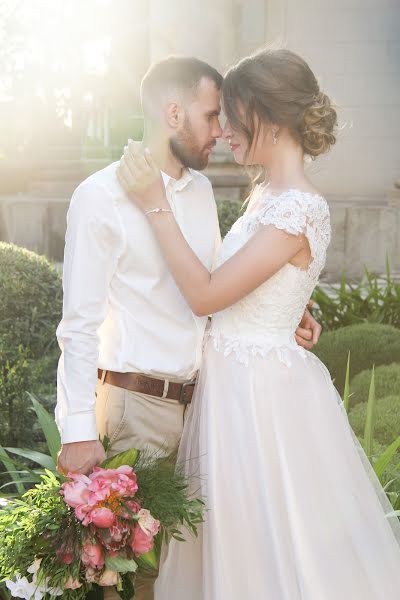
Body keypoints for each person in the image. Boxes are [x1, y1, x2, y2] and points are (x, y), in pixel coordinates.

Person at [117, 48, 400, 600]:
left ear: (267, 116)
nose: (223, 130)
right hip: (232, 386)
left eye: (233, 114)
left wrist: (155, 204)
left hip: (258, 402)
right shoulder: (267, 194)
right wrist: (296, 309)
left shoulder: (299, 206)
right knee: (231, 543)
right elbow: (260, 282)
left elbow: (204, 295)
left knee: (267, 543)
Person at [55, 55, 321, 600]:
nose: (223, 131)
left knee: (197, 571)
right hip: (137, 409)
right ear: (173, 113)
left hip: (209, 410)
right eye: (210, 116)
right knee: (132, 579)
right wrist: (78, 430)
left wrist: (286, 306)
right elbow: (78, 326)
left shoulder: (201, 192)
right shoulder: (100, 196)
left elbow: (216, 283)